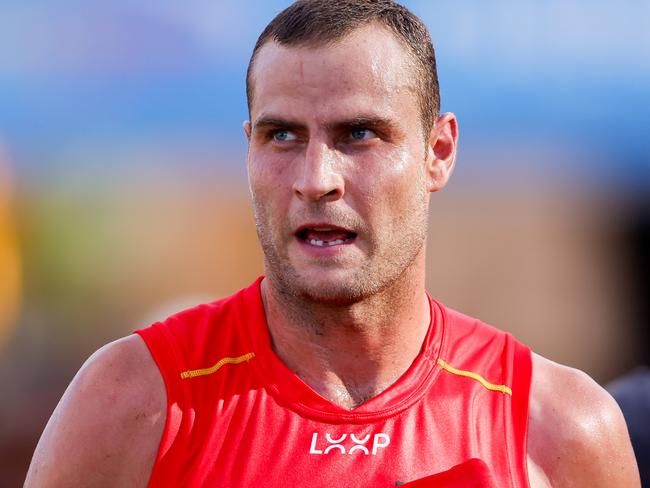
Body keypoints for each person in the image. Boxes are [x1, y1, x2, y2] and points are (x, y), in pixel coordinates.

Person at [25, 1, 640, 486]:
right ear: (248, 148)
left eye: (360, 133)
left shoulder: (559, 428)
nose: (316, 179)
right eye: (283, 134)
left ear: (438, 152)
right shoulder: (130, 402)